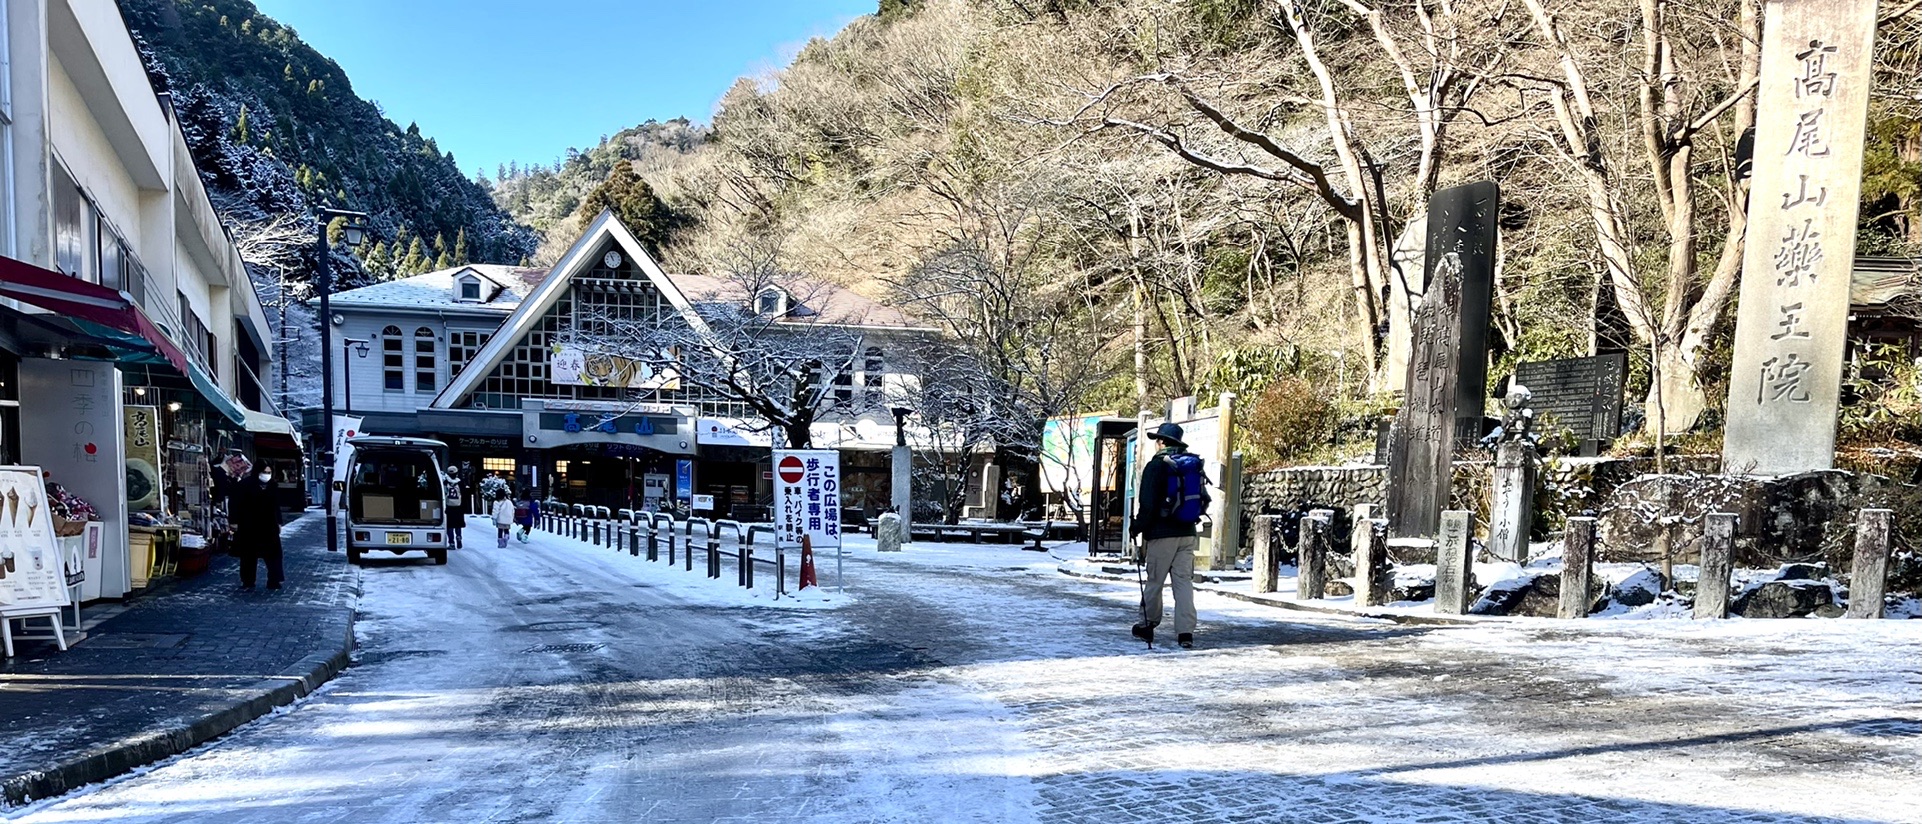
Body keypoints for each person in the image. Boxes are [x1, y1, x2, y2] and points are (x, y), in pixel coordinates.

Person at [1130, 422, 1209, 649]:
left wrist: (1137, 526)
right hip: (1187, 532)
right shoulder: (1191, 466)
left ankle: (1147, 624)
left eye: (1158, 440)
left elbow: (1148, 504)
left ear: (1162, 442)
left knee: (1155, 580)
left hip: (1162, 534)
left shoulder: (1156, 467)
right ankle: (1185, 632)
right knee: (1183, 582)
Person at [231, 459, 285, 591]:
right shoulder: (245, 485)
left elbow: (276, 505)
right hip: (249, 525)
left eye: (269, 472)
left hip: (269, 525)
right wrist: (233, 521)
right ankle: (248, 581)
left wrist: (278, 522)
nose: (267, 475)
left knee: (274, 554)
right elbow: (235, 503)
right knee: (248, 555)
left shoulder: (272, 485)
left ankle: (274, 580)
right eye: (264, 472)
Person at [489, 482, 516, 549]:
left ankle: (500, 542)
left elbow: (495, 511)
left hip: (500, 519)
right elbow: (512, 510)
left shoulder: (497, 502)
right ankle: (506, 536)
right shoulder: (509, 502)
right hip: (508, 519)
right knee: (506, 530)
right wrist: (512, 517)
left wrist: (494, 518)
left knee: (500, 530)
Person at [443, 467, 465, 550]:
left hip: (449, 507)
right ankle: (459, 537)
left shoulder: (445, 482)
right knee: (458, 525)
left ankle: (451, 542)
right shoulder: (460, 483)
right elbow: (464, 494)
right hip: (459, 507)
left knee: (450, 526)